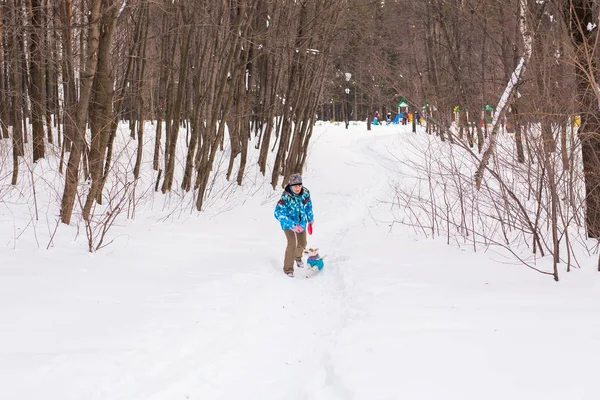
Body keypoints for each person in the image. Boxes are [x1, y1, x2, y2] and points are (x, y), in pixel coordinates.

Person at [274, 173, 314, 277]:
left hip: (301, 222)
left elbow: (308, 206)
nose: (297, 188)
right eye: (295, 186)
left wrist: (310, 218)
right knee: (292, 243)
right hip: (288, 223)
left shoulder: (305, 192)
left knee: (303, 243)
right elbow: (278, 213)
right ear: (291, 186)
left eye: (299, 185)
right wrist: (291, 224)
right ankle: (288, 269)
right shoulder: (286, 196)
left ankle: (297, 257)